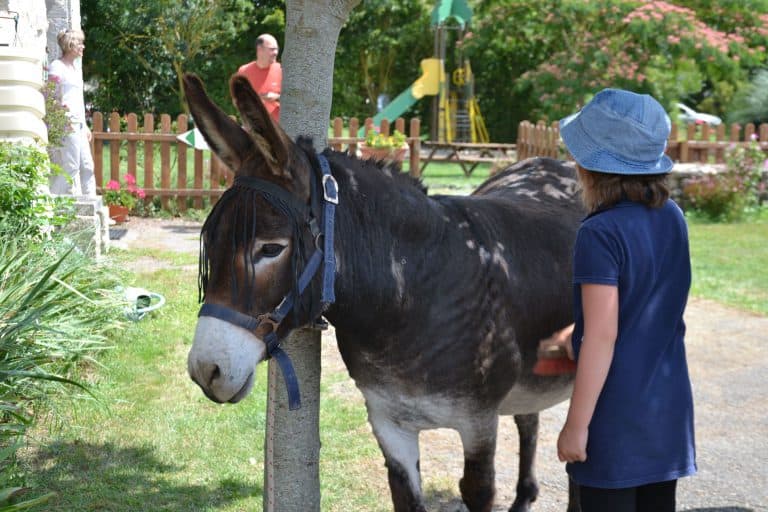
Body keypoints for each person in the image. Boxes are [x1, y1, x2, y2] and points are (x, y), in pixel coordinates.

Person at [553, 88, 697, 511]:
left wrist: (576, 426)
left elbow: (603, 337)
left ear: (589, 165)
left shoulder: (598, 233)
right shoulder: (673, 216)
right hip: (667, 415)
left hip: (615, 423)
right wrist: (576, 332)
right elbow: (647, 303)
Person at [47, 29, 96, 197]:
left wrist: (86, 126)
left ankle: (92, 206)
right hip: (67, 123)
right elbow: (50, 96)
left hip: (80, 124)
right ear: (70, 45)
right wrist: (60, 119)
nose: (83, 46)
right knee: (71, 166)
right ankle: (56, 203)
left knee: (87, 165)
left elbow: (78, 100)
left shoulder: (75, 69)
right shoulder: (57, 67)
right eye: (80, 43)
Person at [237, 34, 282, 122]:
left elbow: (295, 99)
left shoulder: (282, 71)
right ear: (260, 49)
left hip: (278, 130)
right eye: (272, 49)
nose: (276, 52)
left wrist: (276, 97)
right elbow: (237, 99)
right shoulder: (243, 71)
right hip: (253, 128)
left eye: (277, 49)